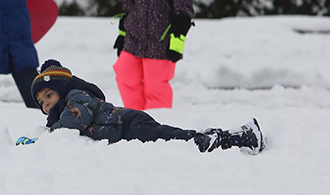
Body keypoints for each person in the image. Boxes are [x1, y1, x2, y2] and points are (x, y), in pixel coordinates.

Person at [30, 59, 264, 152]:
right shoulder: (61, 114)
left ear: (61, 91)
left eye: (49, 95)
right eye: (41, 102)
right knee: (174, 140)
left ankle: (239, 138)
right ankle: (215, 138)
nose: (46, 104)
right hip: (126, 132)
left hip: (129, 124)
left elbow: (73, 122)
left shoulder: (77, 96)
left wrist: (47, 138)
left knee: (175, 140)